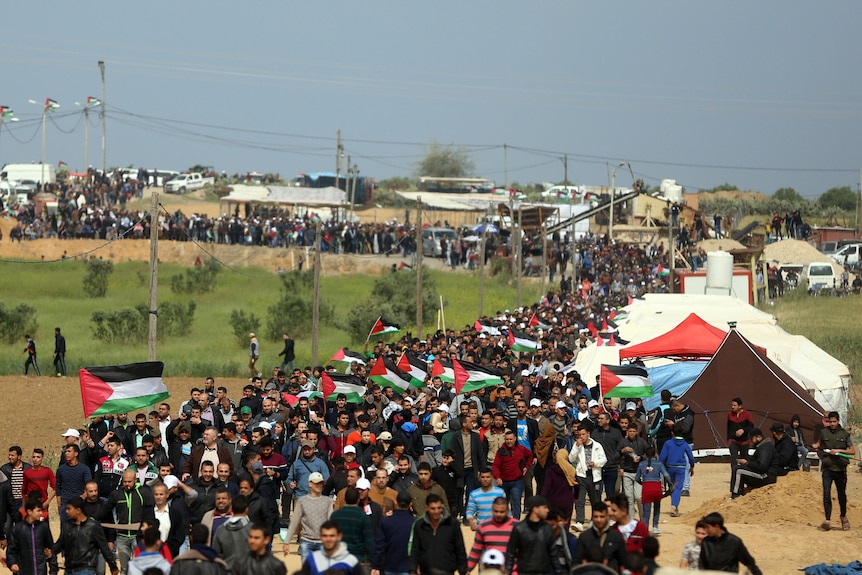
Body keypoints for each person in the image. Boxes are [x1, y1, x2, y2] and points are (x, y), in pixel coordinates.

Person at [100, 469, 155, 575]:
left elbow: (150, 514)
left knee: (139, 568)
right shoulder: (116, 494)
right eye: (125, 481)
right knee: (124, 569)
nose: (127, 484)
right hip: (121, 537)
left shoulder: (144, 493)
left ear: (135, 480)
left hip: (138, 537)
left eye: (129, 481)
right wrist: (92, 518)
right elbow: (105, 509)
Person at [811, 411, 855, 531]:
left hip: (840, 469)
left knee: (842, 495)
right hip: (828, 468)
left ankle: (843, 516)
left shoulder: (845, 434)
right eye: (830, 422)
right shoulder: (823, 432)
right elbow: (819, 443)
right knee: (826, 493)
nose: (832, 424)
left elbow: (852, 451)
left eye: (834, 422)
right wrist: (816, 445)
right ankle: (827, 519)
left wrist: (838, 451)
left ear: (838, 421)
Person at [409, 493, 467, 575]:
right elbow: (415, 550)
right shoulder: (420, 525)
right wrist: (412, 570)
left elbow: (460, 549)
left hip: (447, 571)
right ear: (426, 508)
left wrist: (463, 570)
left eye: (439, 508)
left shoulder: (452, 524)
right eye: (433, 508)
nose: (436, 511)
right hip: (426, 571)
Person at [283, 472, 333, 563]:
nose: (319, 485)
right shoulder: (302, 501)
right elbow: (294, 522)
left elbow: (330, 522)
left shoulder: (328, 501)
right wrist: (287, 542)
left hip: (322, 542)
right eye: (316, 483)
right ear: (310, 483)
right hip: (306, 541)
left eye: (321, 483)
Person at [503, 496, 560, 575]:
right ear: (535, 509)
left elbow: (554, 554)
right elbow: (510, 553)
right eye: (544, 507)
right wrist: (507, 572)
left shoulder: (548, 529)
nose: (547, 510)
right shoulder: (519, 529)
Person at [569, 422, 606, 531]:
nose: (581, 437)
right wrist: (576, 446)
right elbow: (571, 459)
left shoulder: (597, 446)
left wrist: (595, 463)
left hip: (594, 476)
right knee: (579, 500)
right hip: (581, 475)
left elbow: (604, 459)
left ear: (588, 434)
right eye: (580, 435)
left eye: (583, 434)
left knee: (595, 500)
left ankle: (594, 522)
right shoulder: (577, 446)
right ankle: (580, 521)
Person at [698, 512, 762, 574]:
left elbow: (749, 562)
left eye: (708, 527)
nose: (706, 530)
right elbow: (702, 564)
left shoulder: (734, 542)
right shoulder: (706, 542)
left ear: (716, 527)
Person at [571, 501, 626, 571]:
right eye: (596, 517)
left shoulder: (616, 538)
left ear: (607, 516)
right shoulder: (584, 537)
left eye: (602, 516)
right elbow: (576, 561)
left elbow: (623, 564)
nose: (598, 520)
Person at [467, 496, 518, 573]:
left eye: (502, 512)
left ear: (507, 510)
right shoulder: (484, 526)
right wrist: (467, 569)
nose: (498, 514)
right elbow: (476, 550)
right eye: (496, 511)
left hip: (513, 571)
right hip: (490, 571)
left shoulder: (517, 526)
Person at [7, 498, 56, 575]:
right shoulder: (17, 529)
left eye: (41, 511)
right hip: (22, 571)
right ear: (29, 511)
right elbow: (11, 551)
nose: (41, 513)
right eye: (38, 511)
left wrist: (53, 571)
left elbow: (50, 549)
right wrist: (12, 563)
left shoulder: (44, 527)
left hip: (40, 571)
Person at [330, 487, 374, 569]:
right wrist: (374, 563)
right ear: (358, 500)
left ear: (345, 499)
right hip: (357, 560)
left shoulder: (335, 516)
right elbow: (369, 541)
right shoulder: (363, 517)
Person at [491, 431, 532, 520]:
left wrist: (527, 466)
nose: (509, 441)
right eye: (507, 439)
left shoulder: (521, 449)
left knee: (516, 503)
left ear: (515, 439)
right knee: (502, 504)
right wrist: (497, 477)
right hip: (503, 482)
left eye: (510, 439)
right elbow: (495, 466)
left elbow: (530, 455)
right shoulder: (501, 451)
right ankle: (503, 522)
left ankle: (516, 523)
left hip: (517, 481)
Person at [372, 491, 413, 575]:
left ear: (396, 502)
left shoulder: (386, 522)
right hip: (408, 567)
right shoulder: (415, 523)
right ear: (410, 504)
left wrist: (376, 566)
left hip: (390, 566)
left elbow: (379, 546)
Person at [729, 428, 774, 500]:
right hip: (764, 474)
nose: (751, 441)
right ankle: (739, 491)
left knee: (737, 470)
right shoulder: (762, 447)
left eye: (752, 439)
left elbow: (762, 467)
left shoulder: (765, 448)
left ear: (758, 437)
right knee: (740, 468)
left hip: (766, 477)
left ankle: (736, 495)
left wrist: (747, 463)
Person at [634, 446, 671, 534]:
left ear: (645, 455)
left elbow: (637, 478)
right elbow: (666, 475)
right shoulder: (659, 464)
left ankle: (645, 529)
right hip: (656, 487)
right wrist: (670, 484)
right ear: (655, 454)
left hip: (646, 487)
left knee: (646, 512)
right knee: (657, 507)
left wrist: (642, 483)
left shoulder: (641, 464)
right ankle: (655, 526)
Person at [658, 424, 693, 517]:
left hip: (670, 467)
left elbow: (662, 457)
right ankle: (674, 507)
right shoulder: (685, 444)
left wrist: (659, 467)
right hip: (680, 468)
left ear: (672, 433)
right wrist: (692, 467)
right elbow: (690, 457)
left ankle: (674, 506)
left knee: (673, 487)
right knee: (677, 488)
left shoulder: (668, 443)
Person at [212, 494, 252, 572]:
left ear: (231, 509)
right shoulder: (253, 529)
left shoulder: (221, 530)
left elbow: (216, 553)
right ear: (247, 510)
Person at [539, 448, 577, 527]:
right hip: (568, 500)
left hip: (554, 500)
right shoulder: (571, 469)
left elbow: (547, 486)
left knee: (553, 523)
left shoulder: (551, 470)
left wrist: (541, 500)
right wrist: (576, 497)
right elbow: (577, 485)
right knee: (566, 522)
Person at [55, 444, 93, 522]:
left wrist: (83, 497)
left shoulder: (84, 469)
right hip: (65, 504)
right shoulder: (61, 469)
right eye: (66, 451)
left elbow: (88, 485)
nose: (66, 453)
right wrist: (59, 504)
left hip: (79, 504)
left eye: (69, 451)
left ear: (76, 453)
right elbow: (58, 488)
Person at [726, 398, 753, 488]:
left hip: (744, 441)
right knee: (734, 460)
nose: (732, 407)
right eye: (732, 405)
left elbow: (751, 427)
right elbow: (728, 428)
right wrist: (729, 440)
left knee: (745, 459)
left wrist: (743, 430)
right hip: (733, 441)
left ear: (740, 406)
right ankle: (734, 481)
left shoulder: (747, 415)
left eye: (734, 405)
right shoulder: (730, 415)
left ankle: (747, 479)